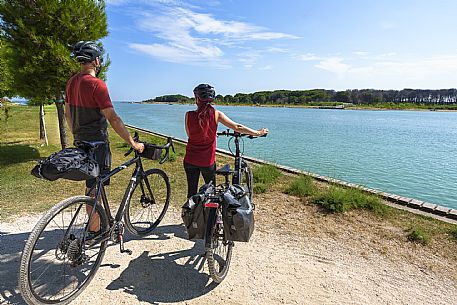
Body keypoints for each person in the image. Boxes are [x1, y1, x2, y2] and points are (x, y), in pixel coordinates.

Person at [65, 41, 144, 232]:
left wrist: (76, 133)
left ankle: (98, 223)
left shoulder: (72, 82)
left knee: (91, 185)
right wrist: (132, 142)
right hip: (97, 143)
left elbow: (67, 114)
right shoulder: (96, 85)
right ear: (96, 60)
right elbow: (113, 119)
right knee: (94, 190)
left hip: (80, 141)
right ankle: (95, 231)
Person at [184, 83, 268, 198]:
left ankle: (190, 214)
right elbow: (237, 127)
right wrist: (258, 132)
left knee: (191, 193)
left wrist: (207, 134)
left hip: (190, 160)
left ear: (197, 98)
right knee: (211, 193)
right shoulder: (216, 114)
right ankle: (210, 215)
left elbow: (191, 135)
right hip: (207, 162)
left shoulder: (188, 115)